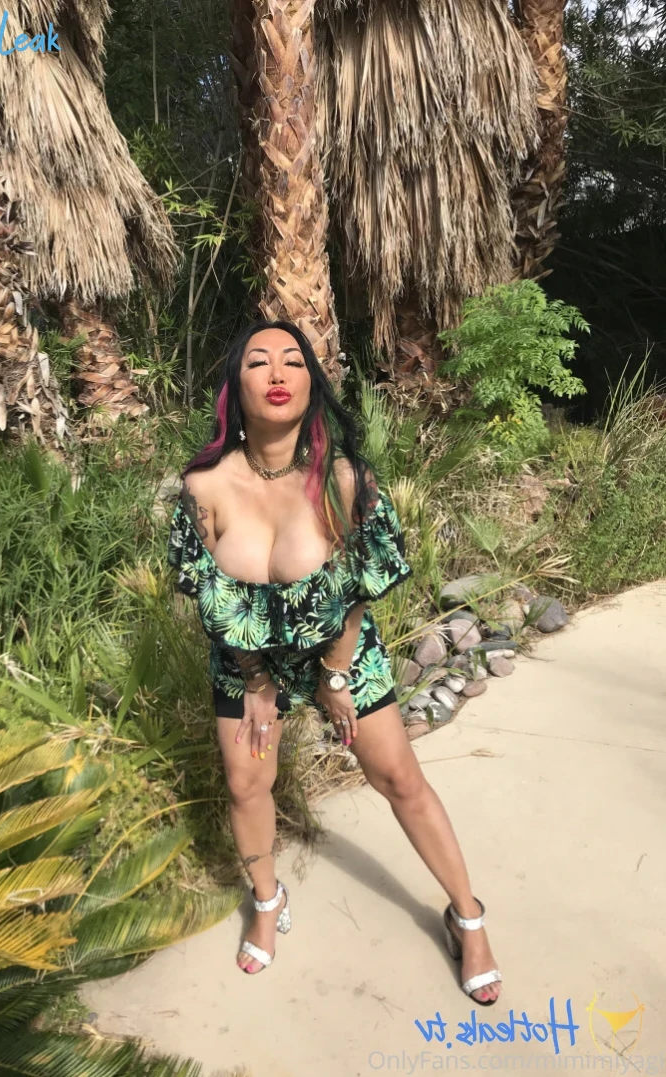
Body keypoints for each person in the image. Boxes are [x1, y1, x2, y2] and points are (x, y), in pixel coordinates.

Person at [166, 319, 502, 1005]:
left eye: (293, 360)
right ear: (235, 386)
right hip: (246, 657)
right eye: (258, 361)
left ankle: (467, 914)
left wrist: (336, 675)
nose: (277, 373)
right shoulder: (204, 487)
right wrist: (256, 680)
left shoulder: (345, 480)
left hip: (338, 649)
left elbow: (360, 589)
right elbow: (209, 594)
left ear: (312, 384)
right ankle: (267, 900)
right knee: (246, 785)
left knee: (398, 776)